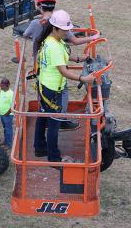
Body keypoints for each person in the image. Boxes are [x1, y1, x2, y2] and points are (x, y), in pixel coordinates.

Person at [23, 0, 99, 130]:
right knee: (61, 95)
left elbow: (25, 34)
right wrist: (92, 38)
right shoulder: (58, 25)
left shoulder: (36, 24)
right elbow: (74, 41)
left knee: (44, 99)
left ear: (39, 6)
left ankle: (49, 121)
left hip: (41, 69)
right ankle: (59, 120)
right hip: (54, 73)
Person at [33, 10, 96, 162]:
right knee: (54, 123)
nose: (67, 32)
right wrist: (84, 78)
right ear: (55, 28)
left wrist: (80, 58)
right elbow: (64, 72)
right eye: (65, 30)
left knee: (42, 117)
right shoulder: (53, 46)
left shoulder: (53, 40)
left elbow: (65, 55)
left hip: (45, 87)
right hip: (52, 90)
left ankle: (40, 147)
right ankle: (54, 157)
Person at [0, 78, 14, 148]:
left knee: (8, 130)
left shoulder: (11, 93)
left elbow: (14, 105)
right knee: (5, 128)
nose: (0, 87)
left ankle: (9, 144)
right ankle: (5, 141)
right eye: (0, 85)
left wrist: (8, 113)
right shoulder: (2, 91)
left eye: (2, 86)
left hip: (8, 115)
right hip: (1, 114)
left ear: (7, 85)